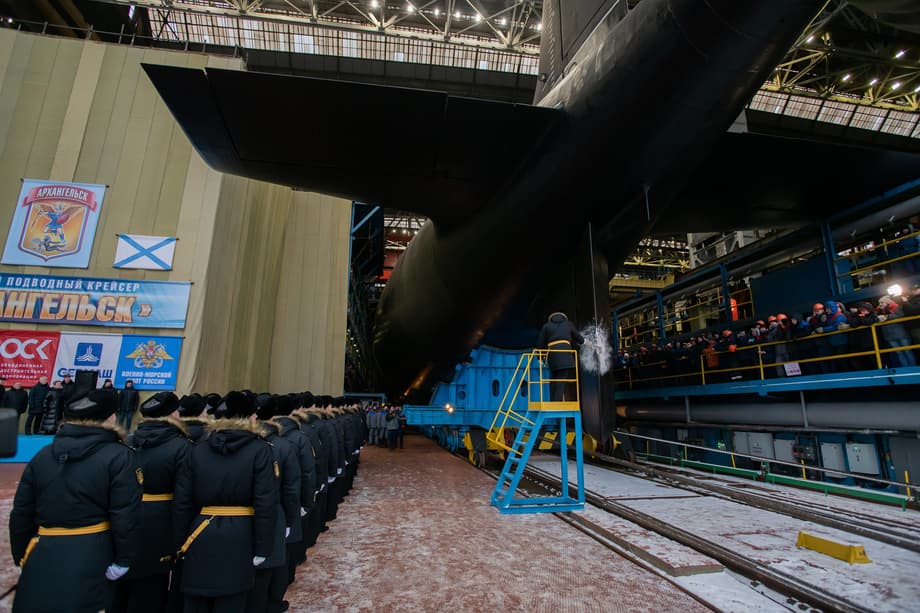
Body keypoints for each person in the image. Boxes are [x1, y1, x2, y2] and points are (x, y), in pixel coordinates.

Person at [9, 388, 141, 613]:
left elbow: (22, 511)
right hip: (93, 552)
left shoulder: (43, 455)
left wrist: (21, 555)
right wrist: (123, 559)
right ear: (111, 418)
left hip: (42, 551)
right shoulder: (120, 456)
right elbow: (125, 515)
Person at [173, 391, 277, 613]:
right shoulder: (260, 450)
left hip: (199, 531)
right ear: (249, 416)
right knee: (232, 600)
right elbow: (265, 502)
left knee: (196, 600)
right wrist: (263, 547)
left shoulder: (197, 449)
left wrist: (180, 541)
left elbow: (182, 501)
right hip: (241, 533)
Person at [113, 392, 190, 613]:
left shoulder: (127, 442)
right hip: (161, 522)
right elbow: (183, 497)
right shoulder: (181, 446)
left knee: (121, 586)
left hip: (125, 518)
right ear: (173, 414)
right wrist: (181, 539)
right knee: (152, 588)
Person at [249, 395, 299, 613]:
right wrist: (291, 518)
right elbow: (292, 486)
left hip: (230, 520)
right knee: (270, 567)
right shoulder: (282, 445)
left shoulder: (210, 443)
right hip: (271, 511)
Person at [536, 312, 585, 401]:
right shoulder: (568, 324)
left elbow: (540, 344)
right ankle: (557, 403)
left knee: (553, 379)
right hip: (565, 354)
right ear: (564, 318)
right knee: (561, 379)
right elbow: (579, 338)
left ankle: (553, 401)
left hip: (552, 356)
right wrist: (584, 341)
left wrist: (539, 358)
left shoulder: (546, 326)